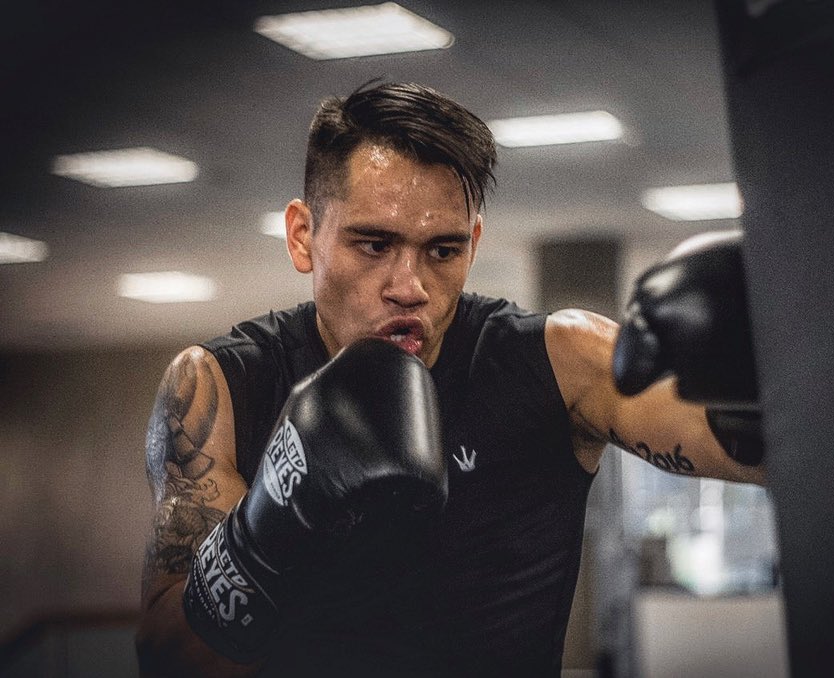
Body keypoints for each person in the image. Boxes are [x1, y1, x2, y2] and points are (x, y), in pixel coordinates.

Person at [135, 81, 765, 678]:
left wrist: (775, 359)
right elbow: (170, 662)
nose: (409, 287)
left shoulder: (557, 361)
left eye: (443, 251)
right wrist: (273, 517)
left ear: (473, 242)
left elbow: (778, 451)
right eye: (373, 244)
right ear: (303, 235)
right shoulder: (221, 386)